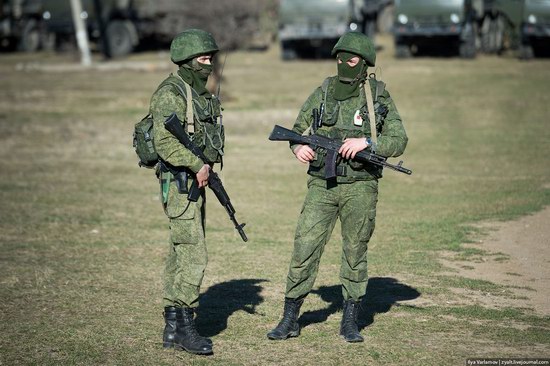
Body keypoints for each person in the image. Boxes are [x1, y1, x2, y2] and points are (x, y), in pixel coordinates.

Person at [267, 32, 408, 343]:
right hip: (322, 184)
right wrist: (296, 148)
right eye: (340, 57)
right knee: (305, 246)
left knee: (355, 252)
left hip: (361, 185)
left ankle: (350, 321)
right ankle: (290, 318)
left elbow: (399, 139)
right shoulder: (325, 90)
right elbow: (296, 129)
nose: (344, 63)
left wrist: (368, 142)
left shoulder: (378, 96)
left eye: (352, 59)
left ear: (365, 62)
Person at [149, 29, 225, 355]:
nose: (209, 65)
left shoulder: (195, 94)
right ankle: (185, 328)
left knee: (179, 253)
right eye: (204, 59)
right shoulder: (170, 94)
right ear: (187, 60)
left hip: (193, 184)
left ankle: (171, 327)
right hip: (181, 185)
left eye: (211, 58)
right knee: (194, 254)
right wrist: (197, 165)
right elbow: (164, 141)